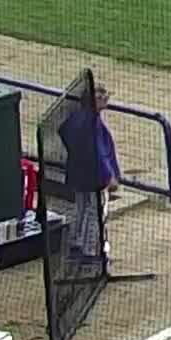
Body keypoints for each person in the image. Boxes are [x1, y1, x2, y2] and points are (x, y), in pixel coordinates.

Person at [57, 72, 121, 264]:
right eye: (101, 95)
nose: (105, 97)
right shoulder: (92, 123)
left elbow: (65, 133)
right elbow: (100, 153)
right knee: (94, 212)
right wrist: (109, 176)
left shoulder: (77, 117)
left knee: (80, 208)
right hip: (92, 176)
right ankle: (90, 252)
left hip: (77, 173)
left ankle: (76, 245)